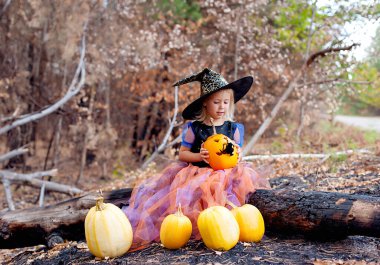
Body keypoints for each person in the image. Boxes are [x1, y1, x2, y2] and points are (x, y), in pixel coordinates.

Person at [123, 68, 271, 247]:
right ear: (205, 104)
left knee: (231, 193)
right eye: (216, 102)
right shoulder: (195, 128)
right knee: (197, 197)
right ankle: (206, 230)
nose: (221, 107)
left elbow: (236, 152)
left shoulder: (233, 128)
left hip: (226, 172)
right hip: (199, 172)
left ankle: (230, 227)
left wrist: (238, 155)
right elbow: (182, 154)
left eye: (226, 102)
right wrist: (198, 155)